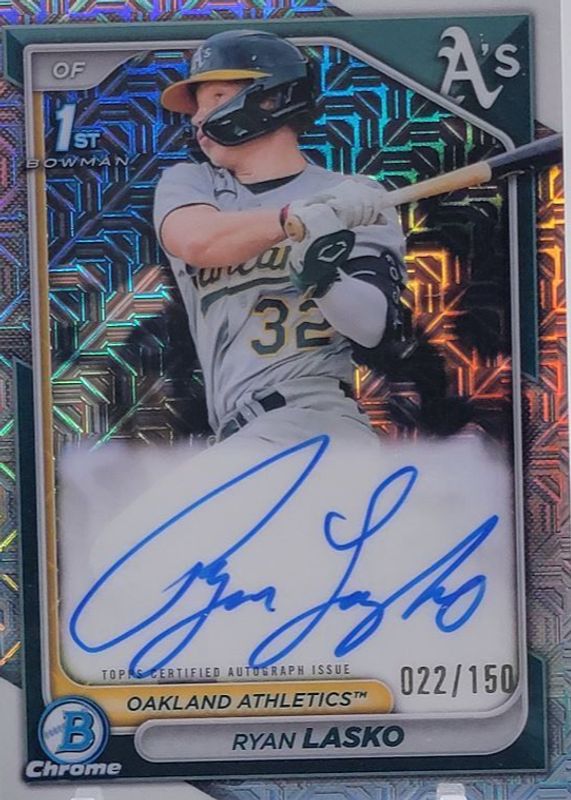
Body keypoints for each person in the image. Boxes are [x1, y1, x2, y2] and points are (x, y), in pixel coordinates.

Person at [153, 29, 410, 448]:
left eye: (216, 98)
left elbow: (371, 327)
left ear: (270, 98)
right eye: (197, 107)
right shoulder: (193, 183)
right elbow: (197, 242)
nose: (198, 119)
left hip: (317, 419)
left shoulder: (353, 196)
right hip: (241, 429)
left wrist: (325, 279)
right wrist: (293, 219)